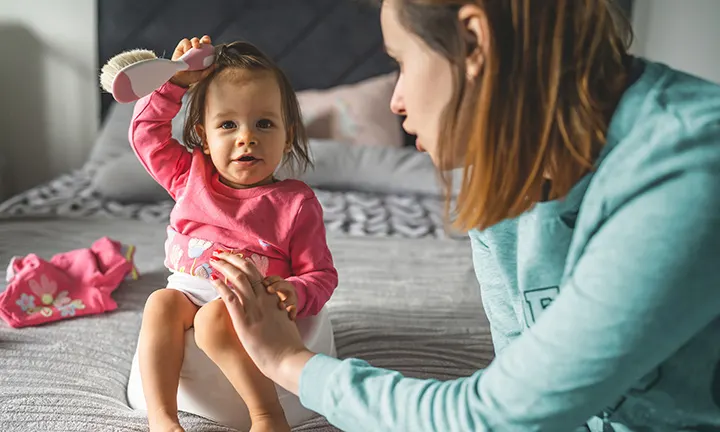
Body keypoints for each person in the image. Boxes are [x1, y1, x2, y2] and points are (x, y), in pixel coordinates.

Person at [206, 0, 720, 431]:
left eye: (402, 62)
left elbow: (493, 415)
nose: (396, 102)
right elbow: (521, 385)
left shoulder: (688, 170)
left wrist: (288, 361)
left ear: (473, 42)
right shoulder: (505, 177)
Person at [131, 36, 338, 432]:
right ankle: (163, 419)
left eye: (264, 123)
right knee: (159, 304)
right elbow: (146, 135)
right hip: (187, 292)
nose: (247, 137)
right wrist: (174, 82)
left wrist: (295, 291)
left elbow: (321, 275)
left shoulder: (294, 203)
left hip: (250, 304)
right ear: (203, 137)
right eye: (227, 124)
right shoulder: (188, 176)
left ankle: (267, 415)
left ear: (288, 134)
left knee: (212, 321)